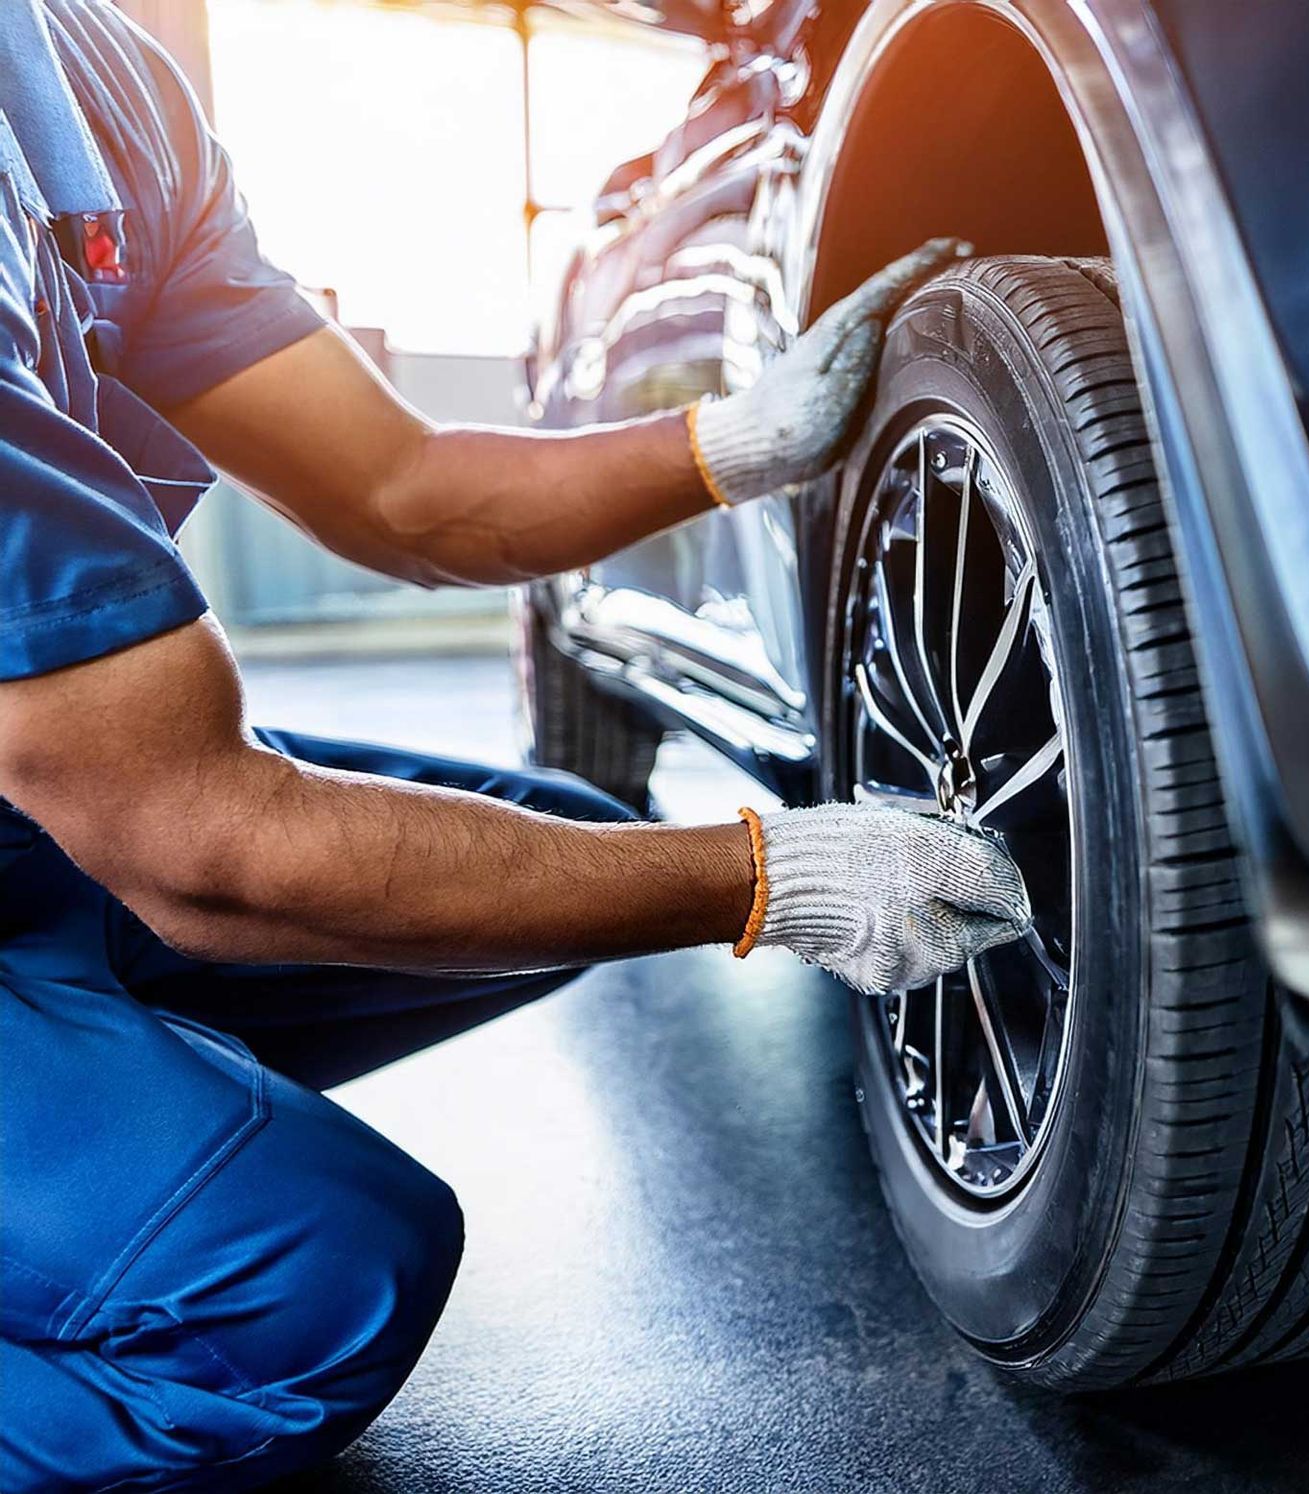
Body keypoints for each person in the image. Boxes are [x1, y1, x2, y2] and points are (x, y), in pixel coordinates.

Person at [0, 2, 1029, 1487]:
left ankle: (104, 1142)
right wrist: (769, 878)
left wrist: (729, 443)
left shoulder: (93, 78)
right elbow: (205, 848)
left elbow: (407, 488)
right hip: (128, 821)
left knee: (550, 844)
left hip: (34, 829)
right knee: (317, 1283)